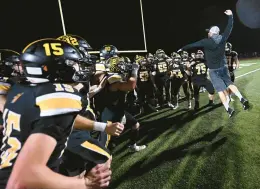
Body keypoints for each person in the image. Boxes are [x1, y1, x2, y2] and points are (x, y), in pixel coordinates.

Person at [0, 38, 111, 189]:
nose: (77, 69)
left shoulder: (23, 92)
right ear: (54, 69)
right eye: (72, 64)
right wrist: (85, 184)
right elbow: (25, 177)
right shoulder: (54, 99)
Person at [178, 10, 250, 117]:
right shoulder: (223, 38)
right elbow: (229, 27)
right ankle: (241, 98)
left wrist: (182, 48)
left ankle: (228, 109)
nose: (208, 33)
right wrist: (230, 16)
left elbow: (193, 45)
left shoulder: (206, 41)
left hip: (213, 70)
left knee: (220, 90)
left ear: (212, 33)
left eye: (209, 32)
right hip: (223, 67)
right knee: (230, 84)